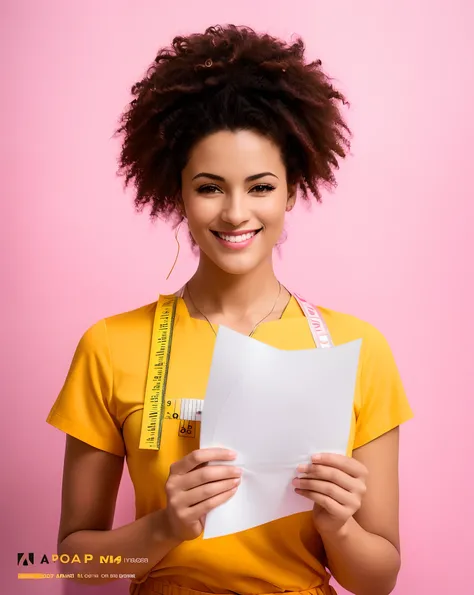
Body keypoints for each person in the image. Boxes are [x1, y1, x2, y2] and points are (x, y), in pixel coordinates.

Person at [46, 24, 413, 595]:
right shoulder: (109, 346)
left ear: (293, 191)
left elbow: (378, 581)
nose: (236, 212)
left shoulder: (358, 351)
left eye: (261, 187)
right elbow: (76, 564)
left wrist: (338, 525)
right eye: (210, 187)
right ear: (178, 192)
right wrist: (165, 527)